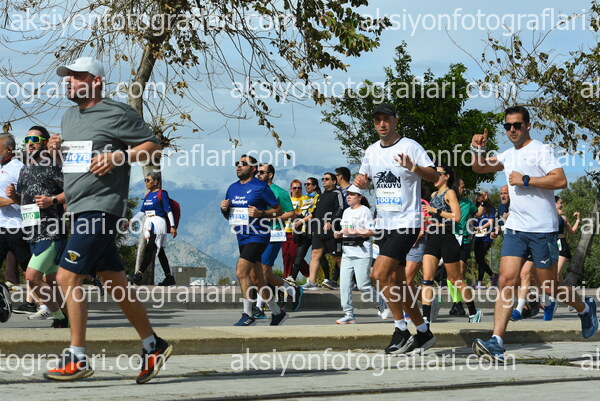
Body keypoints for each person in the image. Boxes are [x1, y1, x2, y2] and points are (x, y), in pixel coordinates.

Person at [45, 57, 172, 383]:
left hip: (102, 208)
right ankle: (153, 345)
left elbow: (153, 148)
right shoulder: (69, 116)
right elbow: (78, 163)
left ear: (96, 81)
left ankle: (77, 357)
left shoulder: (118, 113)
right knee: (117, 285)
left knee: (67, 278)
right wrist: (58, 150)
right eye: (67, 77)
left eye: (76, 76)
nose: (69, 81)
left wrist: (120, 156)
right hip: (78, 208)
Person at [471, 105, 597, 362]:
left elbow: (560, 180)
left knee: (549, 286)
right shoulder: (508, 155)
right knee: (506, 281)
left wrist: (526, 179)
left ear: (528, 126)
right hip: (516, 230)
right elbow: (480, 168)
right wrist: (477, 150)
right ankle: (496, 341)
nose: (512, 130)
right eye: (508, 126)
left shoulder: (541, 150)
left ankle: (585, 307)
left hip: (543, 230)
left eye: (517, 125)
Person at [354, 103, 439, 354]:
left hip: (407, 223)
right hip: (384, 223)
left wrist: (414, 167)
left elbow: (435, 176)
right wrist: (361, 182)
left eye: (386, 119)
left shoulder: (410, 146)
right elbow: (364, 179)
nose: (382, 124)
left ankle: (401, 329)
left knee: (378, 274)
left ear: (395, 121)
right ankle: (423, 332)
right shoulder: (371, 151)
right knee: (398, 283)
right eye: (377, 120)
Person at [5, 126, 68, 328]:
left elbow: (73, 191)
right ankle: (64, 318)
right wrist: (14, 196)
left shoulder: (53, 165)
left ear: (45, 143)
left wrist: (52, 200)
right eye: (27, 140)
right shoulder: (24, 169)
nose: (30, 144)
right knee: (52, 281)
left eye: (35, 140)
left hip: (51, 231)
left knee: (32, 277)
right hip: (31, 232)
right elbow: (25, 202)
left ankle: (55, 313)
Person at [221, 155, 284, 326]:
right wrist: (224, 209)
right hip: (242, 236)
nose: (238, 166)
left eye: (243, 164)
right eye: (237, 164)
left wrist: (261, 213)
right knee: (256, 279)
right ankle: (277, 312)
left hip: (259, 235)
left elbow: (278, 210)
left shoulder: (260, 187)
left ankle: (247, 314)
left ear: (253, 168)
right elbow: (230, 216)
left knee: (241, 271)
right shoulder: (232, 188)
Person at [421, 166, 482, 324]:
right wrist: (428, 219)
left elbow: (456, 217)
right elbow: (436, 217)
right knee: (427, 279)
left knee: (456, 280)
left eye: (438, 174)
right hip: (433, 238)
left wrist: (435, 210)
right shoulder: (434, 195)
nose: (434, 176)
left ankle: (473, 311)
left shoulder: (450, 193)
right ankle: (425, 318)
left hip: (447, 238)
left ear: (446, 176)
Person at [253, 163, 303, 318]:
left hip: (274, 233)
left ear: (270, 175)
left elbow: (291, 214)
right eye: (257, 172)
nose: (258, 174)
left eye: (262, 172)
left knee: (262, 271)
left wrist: (269, 216)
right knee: (265, 273)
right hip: (257, 234)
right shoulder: (255, 190)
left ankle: (259, 307)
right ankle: (292, 290)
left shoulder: (279, 192)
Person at [334, 185, 380, 323]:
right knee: (344, 284)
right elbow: (345, 229)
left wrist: (354, 232)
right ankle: (348, 314)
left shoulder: (365, 211)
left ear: (359, 197)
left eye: (352, 194)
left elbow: (372, 231)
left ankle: (380, 301)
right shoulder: (346, 211)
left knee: (363, 285)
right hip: (347, 252)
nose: (348, 197)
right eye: (347, 194)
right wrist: (339, 233)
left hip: (362, 252)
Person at [127, 171, 177, 286]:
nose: (146, 182)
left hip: (158, 223)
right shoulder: (147, 195)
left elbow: (168, 210)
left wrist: (172, 226)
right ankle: (169, 277)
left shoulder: (162, 194)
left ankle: (139, 275)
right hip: (149, 223)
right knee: (159, 251)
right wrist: (131, 221)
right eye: (145, 180)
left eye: (148, 180)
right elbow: (142, 212)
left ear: (155, 182)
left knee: (150, 247)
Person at [0, 133, 32, 293]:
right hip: (1, 226)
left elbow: (29, 195)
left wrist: (10, 199)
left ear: (9, 148)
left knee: (29, 271)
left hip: (17, 227)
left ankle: (44, 303)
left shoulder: (19, 168)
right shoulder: (2, 168)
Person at [449, 178, 485, 316]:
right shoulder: (448, 201)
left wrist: (483, 202)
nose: (464, 189)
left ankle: (458, 303)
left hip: (463, 239)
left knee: (461, 270)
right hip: (450, 237)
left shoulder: (467, 202)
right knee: (451, 272)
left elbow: (478, 213)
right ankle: (456, 303)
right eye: (462, 187)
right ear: (455, 187)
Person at [302, 172, 344, 290]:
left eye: (327, 179)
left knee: (338, 258)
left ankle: (348, 281)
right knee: (315, 254)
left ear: (334, 182)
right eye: (323, 179)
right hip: (318, 232)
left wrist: (332, 222)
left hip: (332, 232)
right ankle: (312, 282)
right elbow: (316, 213)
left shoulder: (337, 193)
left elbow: (340, 208)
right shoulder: (321, 196)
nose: (324, 181)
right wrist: (313, 228)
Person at [290, 177, 320, 281]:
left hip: (315, 229)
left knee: (320, 256)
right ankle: (292, 278)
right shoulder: (305, 198)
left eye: (308, 184)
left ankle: (327, 279)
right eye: (305, 184)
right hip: (305, 230)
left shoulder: (318, 196)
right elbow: (303, 212)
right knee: (299, 254)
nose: (306, 186)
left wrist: (301, 221)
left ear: (314, 186)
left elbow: (314, 213)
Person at [281, 180, 309, 281]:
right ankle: (286, 276)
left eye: (299, 188)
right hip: (285, 230)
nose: (297, 190)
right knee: (285, 254)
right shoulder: (286, 200)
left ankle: (308, 273)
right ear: (291, 189)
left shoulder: (305, 199)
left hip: (298, 231)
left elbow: (306, 213)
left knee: (294, 254)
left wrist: (295, 214)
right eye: (294, 188)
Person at [472, 192, 497, 289]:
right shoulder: (475, 208)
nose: (478, 197)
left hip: (486, 237)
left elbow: (490, 222)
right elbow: (472, 220)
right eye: (478, 195)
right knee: (478, 259)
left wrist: (480, 228)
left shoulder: (490, 209)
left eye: (481, 195)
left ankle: (479, 282)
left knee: (481, 258)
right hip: (477, 236)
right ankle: (493, 275)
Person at [555, 196, 581, 278]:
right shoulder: (546, 216)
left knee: (556, 274)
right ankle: (566, 287)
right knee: (557, 277)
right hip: (550, 245)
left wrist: (578, 219)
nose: (562, 205)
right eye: (560, 203)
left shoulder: (563, 218)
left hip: (561, 245)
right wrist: (557, 215)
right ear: (554, 203)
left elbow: (572, 232)